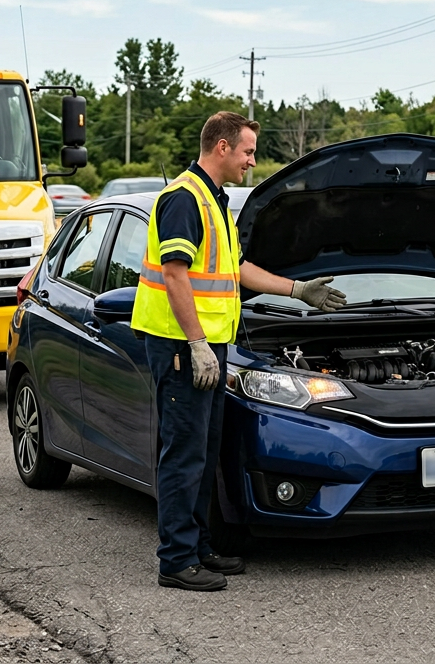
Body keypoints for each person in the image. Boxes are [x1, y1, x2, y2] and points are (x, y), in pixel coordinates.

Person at [130, 111, 347, 591]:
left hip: (208, 348)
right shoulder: (184, 200)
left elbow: (238, 268)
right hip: (182, 348)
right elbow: (175, 275)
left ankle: (200, 546)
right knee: (183, 455)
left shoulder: (215, 202)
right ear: (222, 148)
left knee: (205, 453)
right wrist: (197, 343)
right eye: (248, 151)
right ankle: (176, 561)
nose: (252, 160)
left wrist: (296, 290)